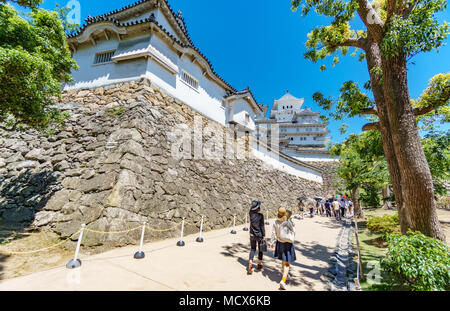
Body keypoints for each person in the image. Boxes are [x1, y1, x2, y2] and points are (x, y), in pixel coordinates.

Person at [270, 208, 296, 290]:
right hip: (288, 243)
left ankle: (284, 273)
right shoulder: (288, 222)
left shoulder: (275, 222)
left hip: (279, 242)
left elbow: (273, 233)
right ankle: (283, 280)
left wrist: (272, 242)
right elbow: (294, 232)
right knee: (287, 263)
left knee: (283, 259)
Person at [247, 200, 266, 275]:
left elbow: (251, 209)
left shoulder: (251, 214)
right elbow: (262, 226)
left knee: (252, 249)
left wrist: (253, 205)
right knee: (260, 249)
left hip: (252, 234)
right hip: (259, 235)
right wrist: (264, 235)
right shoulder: (260, 216)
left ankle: (250, 264)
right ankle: (259, 264)